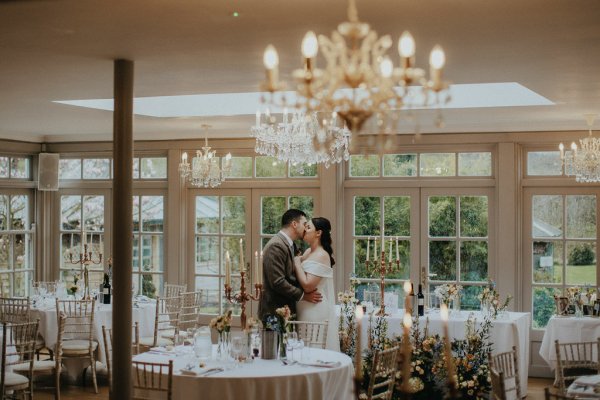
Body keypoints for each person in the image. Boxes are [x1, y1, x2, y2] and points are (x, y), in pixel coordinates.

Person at [258, 209, 322, 321]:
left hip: (286, 310)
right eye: (304, 224)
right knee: (275, 340)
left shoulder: (291, 245)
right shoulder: (276, 246)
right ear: (294, 224)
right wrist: (303, 296)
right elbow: (277, 282)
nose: (306, 228)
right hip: (274, 312)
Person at [294, 217, 340, 351]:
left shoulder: (322, 255)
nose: (304, 230)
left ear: (318, 233)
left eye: (308, 227)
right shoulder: (309, 251)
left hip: (314, 308)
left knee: (312, 348)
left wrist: (297, 262)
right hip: (305, 306)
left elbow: (308, 285)